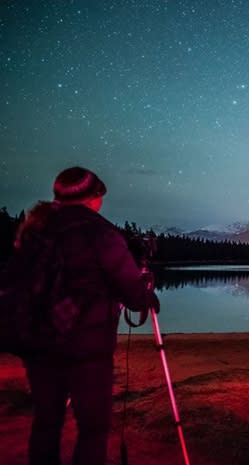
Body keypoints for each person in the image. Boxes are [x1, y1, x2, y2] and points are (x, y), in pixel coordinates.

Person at [12, 167, 159, 465]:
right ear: (94, 198)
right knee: (92, 428)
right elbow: (131, 293)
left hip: (38, 344)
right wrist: (147, 293)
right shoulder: (100, 234)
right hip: (85, 346)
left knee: (46, 422)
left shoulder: (36, 228)